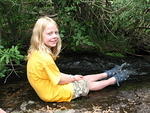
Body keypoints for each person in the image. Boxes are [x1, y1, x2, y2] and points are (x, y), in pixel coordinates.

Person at [27, 16, 129, 102]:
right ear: (39, 36)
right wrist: (73, 78)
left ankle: (106, 73)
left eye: (56, 32)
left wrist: (73, 77)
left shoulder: (36, 52)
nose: (55, 36)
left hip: (48, 88)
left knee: (81, 78)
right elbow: (59, 80)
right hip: (53, 93)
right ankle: (113, 80)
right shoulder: (44, 58)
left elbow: (54, 75)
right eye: (49, 33)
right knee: (87, 84)